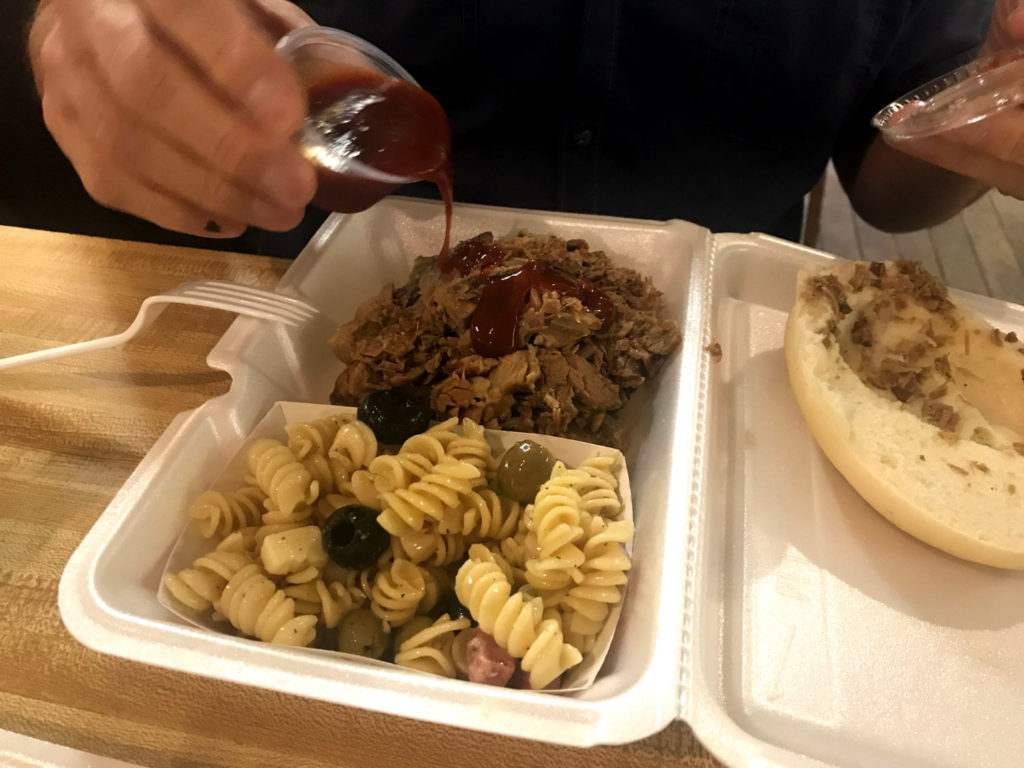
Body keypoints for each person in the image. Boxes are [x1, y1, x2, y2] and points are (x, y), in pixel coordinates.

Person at [8, 0, 1024, 259]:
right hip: (295, 328)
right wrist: (77, 31)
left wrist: (992, 112)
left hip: (729, 397)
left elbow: (891, 190)